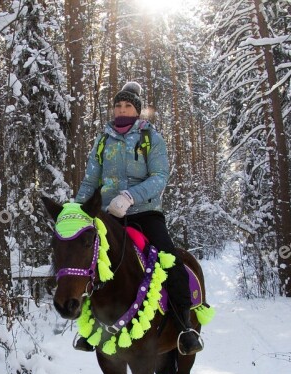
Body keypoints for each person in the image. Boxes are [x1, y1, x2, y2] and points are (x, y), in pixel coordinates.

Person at [74, 81, 203, 356]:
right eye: (118, 105)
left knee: (170, 260)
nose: (122, 109)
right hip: (108, 216)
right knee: (84, 259)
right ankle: (89, 329)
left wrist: (130, 196)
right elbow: (90, 180)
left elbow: (159, 177)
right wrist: (78, 210)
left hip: (144, 212)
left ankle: (184, 328)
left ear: (137, 110)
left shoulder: (150, 138)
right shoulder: (102, 140)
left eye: (128, 105)